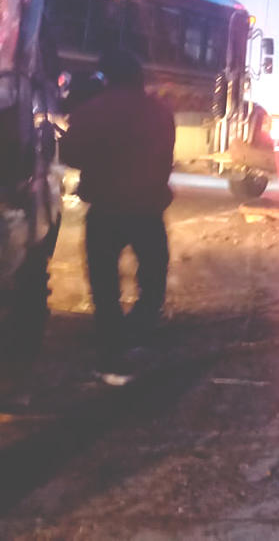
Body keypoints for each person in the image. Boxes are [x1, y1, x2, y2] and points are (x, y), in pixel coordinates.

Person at [59, 49, 175, 376]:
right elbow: (165, 156)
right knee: (152, 276)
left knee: (104, 279)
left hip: (106, 209)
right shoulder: (160, 113)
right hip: (149, 209)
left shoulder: (93, 111)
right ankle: (139, 329)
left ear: (106, 78)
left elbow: (70, 154)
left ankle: (111, 337)